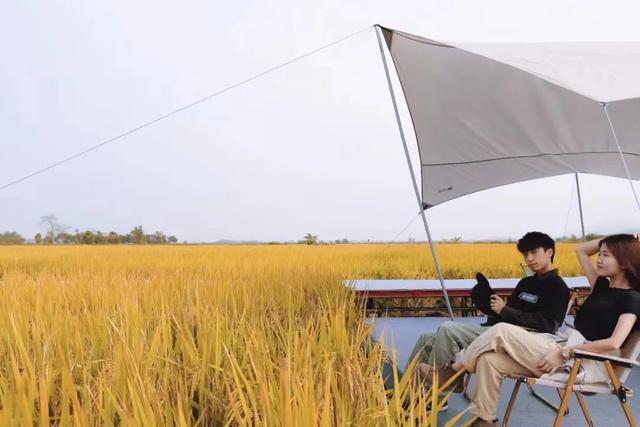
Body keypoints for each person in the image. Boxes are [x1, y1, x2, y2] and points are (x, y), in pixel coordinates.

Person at [424, 234, 640, 426]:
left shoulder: (632, 299)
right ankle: (485, 420)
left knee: (503, 330)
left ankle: (451, 372)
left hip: (586, 362)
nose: (599, 259)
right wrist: (622, 238)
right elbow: (581, 249)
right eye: (600, 254)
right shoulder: (602, 287)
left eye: (606, 255)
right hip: (566, 348)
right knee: (488, 360)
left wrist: (565, 353)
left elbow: (614, 342)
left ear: (624, 260)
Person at [407, 232, 571, 372]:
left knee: (448, 329)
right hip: (498, 329)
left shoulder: (558, 287)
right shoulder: (526, 283)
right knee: (426, 338)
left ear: (549, 252)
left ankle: (436, 394)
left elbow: (548, 325)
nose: (529, 258)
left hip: (519, 339)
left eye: (534, 252)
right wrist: (489, 304)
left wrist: (505, 310)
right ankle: (406, 390)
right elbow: (509, 313)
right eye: (525, 254)